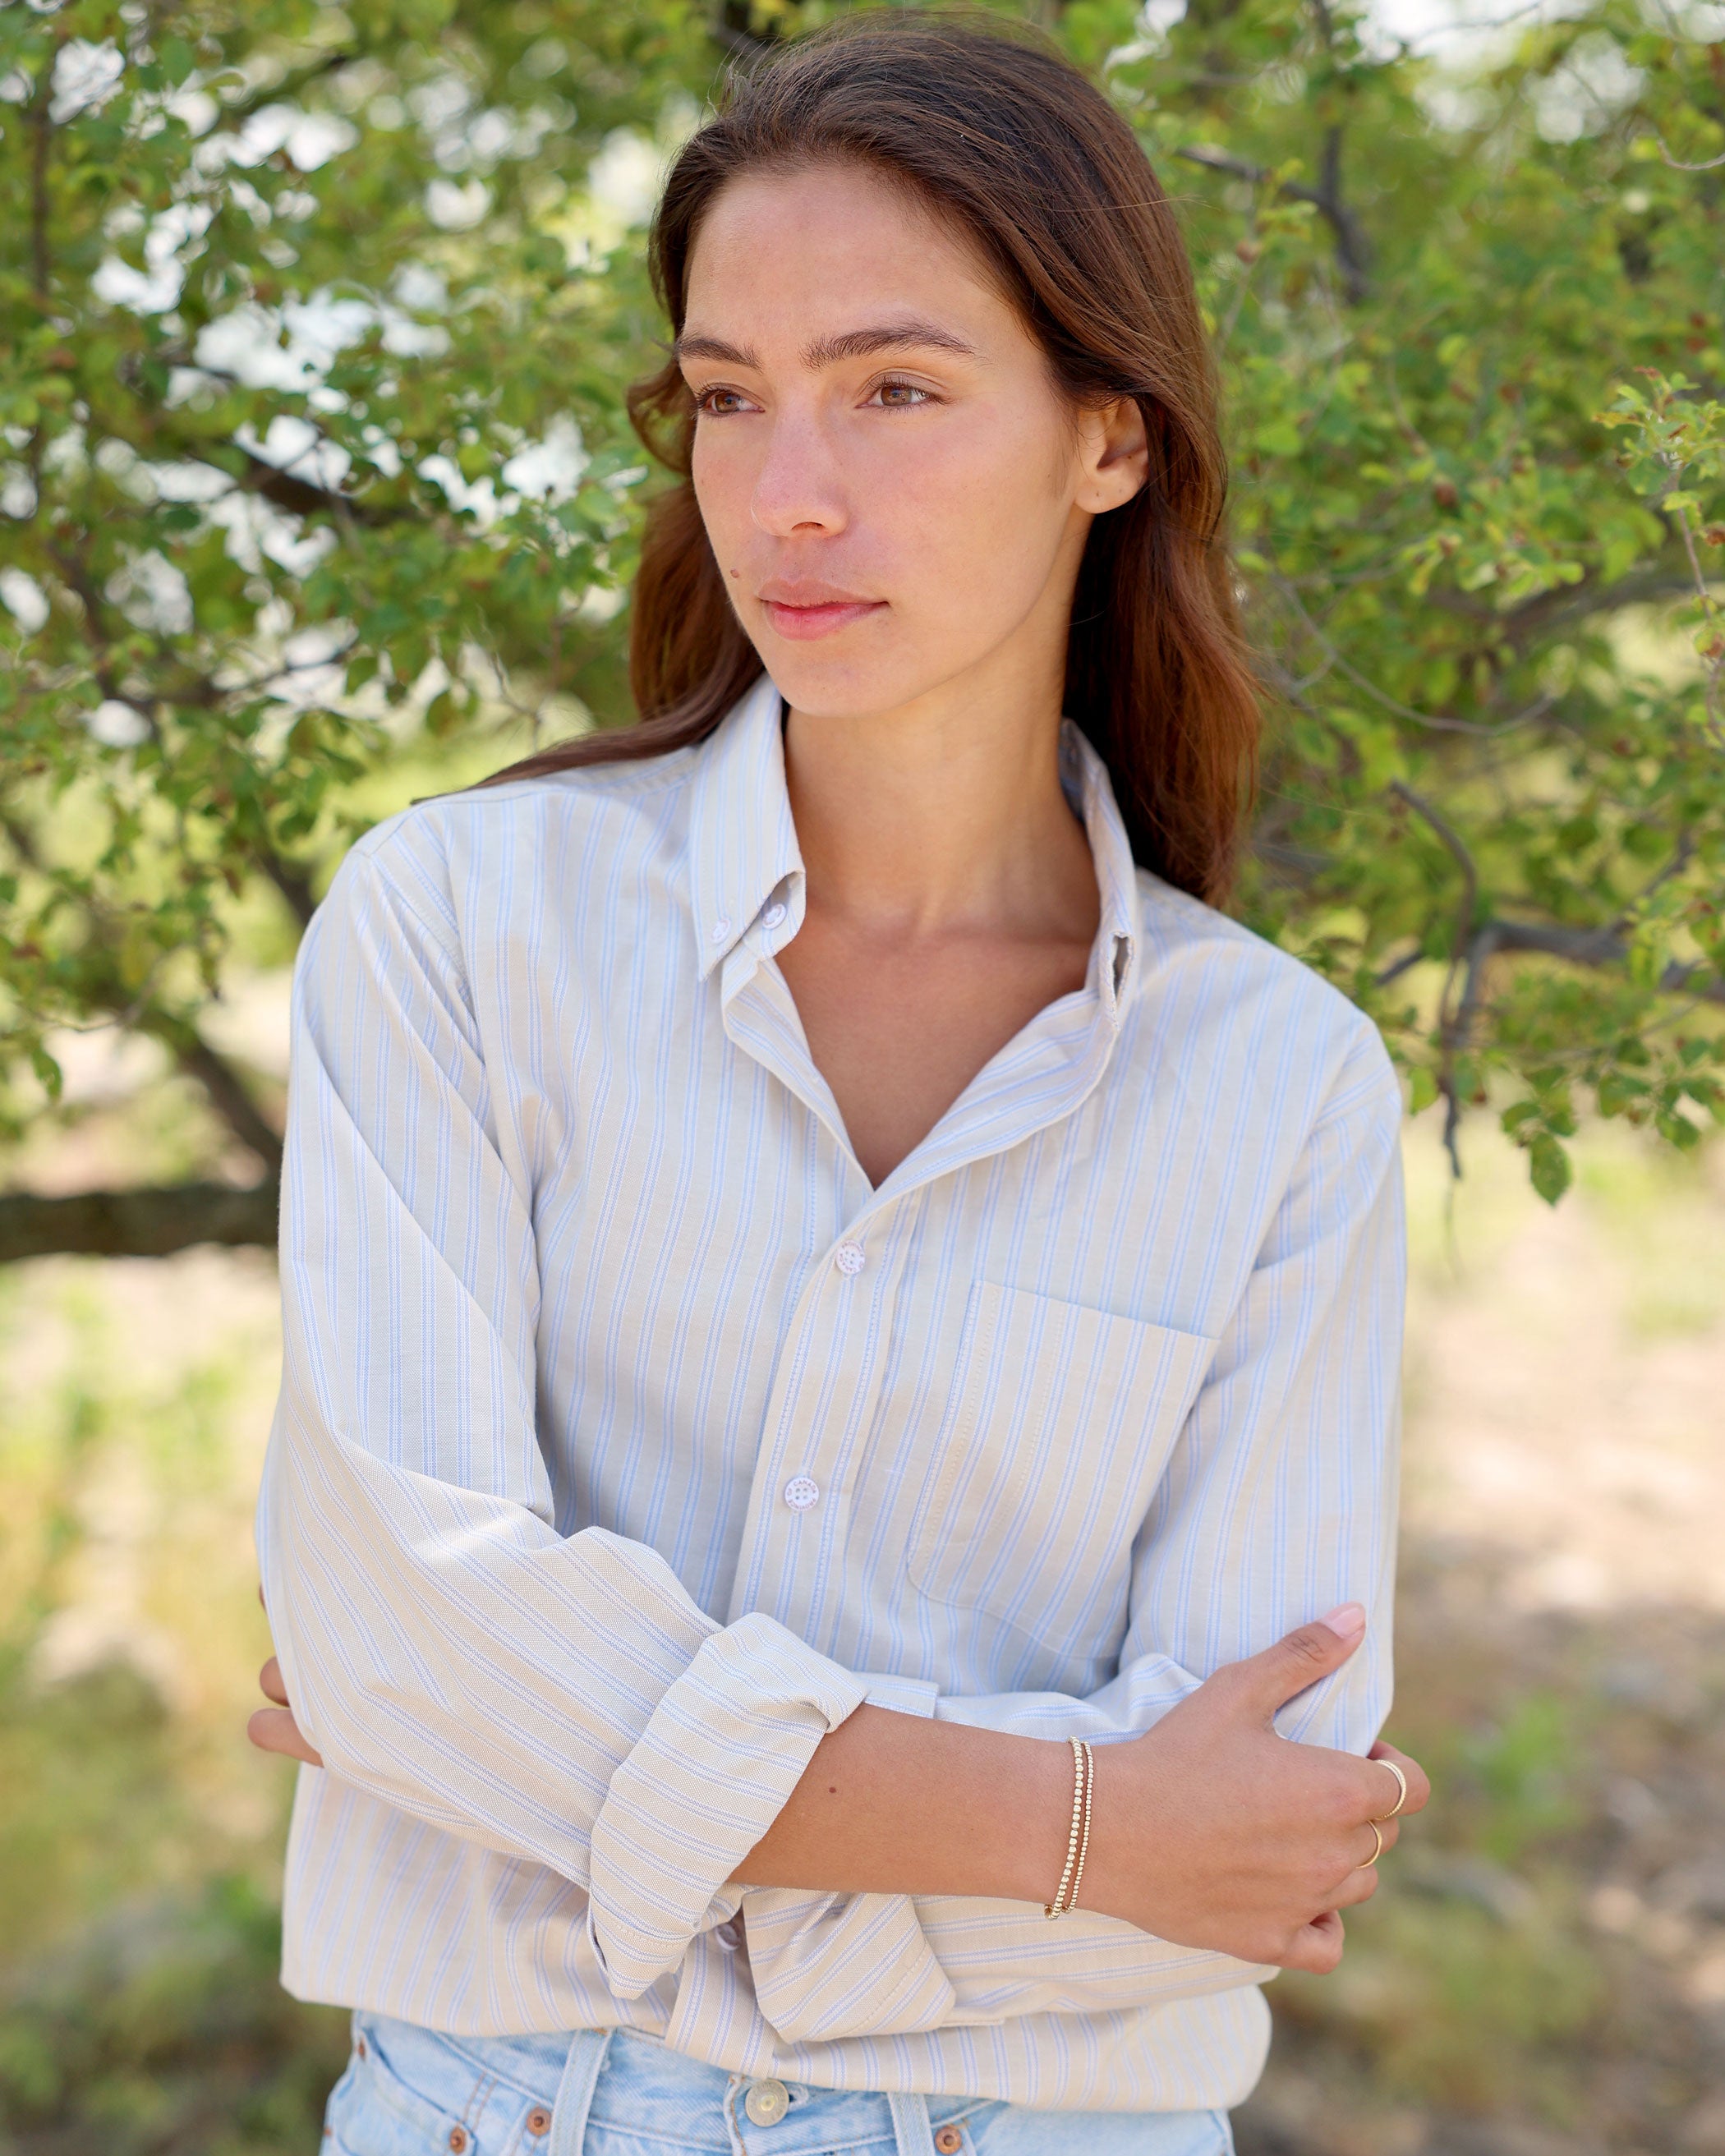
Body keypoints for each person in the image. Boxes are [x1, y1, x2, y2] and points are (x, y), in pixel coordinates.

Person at [249, 16, 1428, 2156]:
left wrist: (546, 1758)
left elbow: (1255, 1833)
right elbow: (394, 1624)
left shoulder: (1278, 1094)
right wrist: (1078, 1824)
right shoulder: (461, 930)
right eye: (727, 397)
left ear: (1107, 434)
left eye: (893, 387)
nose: (788, 491)